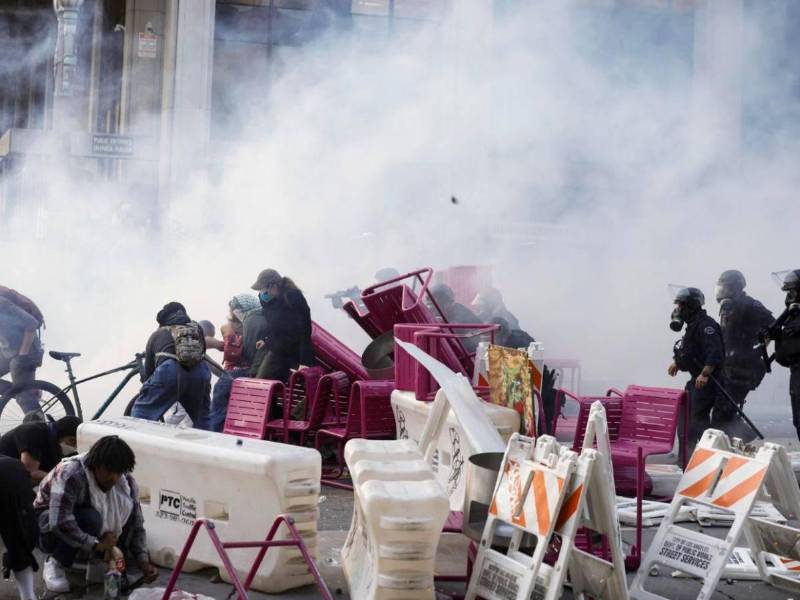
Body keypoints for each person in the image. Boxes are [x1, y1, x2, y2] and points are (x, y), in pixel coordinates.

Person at [35, 435, 158, 595]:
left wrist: (143, 561)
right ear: (95, 465)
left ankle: (97, 561)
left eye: (118, 472)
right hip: (46, 527)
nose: (113, 478)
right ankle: (56, 561)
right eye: (108, 471)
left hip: (85, 530)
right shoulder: (72, 474)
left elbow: (137, 522)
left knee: (125, 515)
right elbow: (59, 521)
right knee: (91, 519)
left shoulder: (126, 482)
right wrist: (96, 544)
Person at [131, 302, 211, 429]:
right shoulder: (197, 330)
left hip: (170, 372)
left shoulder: (158, 334)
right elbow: (202, 353)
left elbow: (148, 373)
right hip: (199, 372)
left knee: (140, 414)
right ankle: (208, 445)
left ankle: (133, 443)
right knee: (203, 418)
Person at [667, 287, 727, 454]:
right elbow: (690, 351)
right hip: (695, 381)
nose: (678, 309)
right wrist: (677, 363)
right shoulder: (693, 326)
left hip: (707, 381)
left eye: (681, 305)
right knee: (684, 419)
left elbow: (714, 352)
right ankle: (686, 457)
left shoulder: (706, 326)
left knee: (696, 421)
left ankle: (704, 455)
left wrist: (705, 373)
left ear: (691, 306)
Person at [715, 270, 774, 437]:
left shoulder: (750, 304)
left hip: (744, 369)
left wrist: (757, 348)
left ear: (735, 288)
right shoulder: (727, 307)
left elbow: (773, 326)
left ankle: (740, 437)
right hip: (728, 367)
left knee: (723, 412)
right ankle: (735, 440)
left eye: (725, 288)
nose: (722, 292)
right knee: (723, 411)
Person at [208, 294, 268, 432]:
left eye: (234, 309)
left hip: (243, 372)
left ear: (242, 308)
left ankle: (214, 433)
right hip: (243, 371)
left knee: (220, 397)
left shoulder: (251, 322)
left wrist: (232, 341)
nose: (232, 312)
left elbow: (248, 353)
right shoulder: (253, 320)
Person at [251, 269, 315, 384]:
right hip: (277, 350)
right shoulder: (266, 301)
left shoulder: (294, 297)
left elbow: (305, 331)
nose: (261, 293)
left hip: (295, 350)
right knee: (261, 381)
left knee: (299, 384)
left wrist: (304, 362)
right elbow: (273, 326)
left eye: (262, 289)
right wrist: (266, 339)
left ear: (273, 286)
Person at [765, 269, 800, 440]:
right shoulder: (792, 316)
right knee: (798, 421)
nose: (789, 296)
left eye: (792, 292)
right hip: (795, 373)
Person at [0, 286, 45, 414]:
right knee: (21, 391)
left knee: (17, 365)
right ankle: (25, 391)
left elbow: (31, 323)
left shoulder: (1, 304)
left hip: (29, 350)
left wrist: (23, 354)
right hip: (9, 352)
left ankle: (38, 424)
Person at [0, 457, 39, 600]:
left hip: (11, 473)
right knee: (20, 537)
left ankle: (28, 595)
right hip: (13, 472)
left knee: (19, 537)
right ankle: (28, 595)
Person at [0, 416, 81, 484]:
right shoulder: (33, 433)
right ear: (60, 434)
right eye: (72, 441)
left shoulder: (55, 444)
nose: (74, 447)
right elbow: (30, 474)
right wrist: (62, 480)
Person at [429, 284, 483, 352]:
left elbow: (452, 329)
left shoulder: (459, 311)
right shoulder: (448, 311)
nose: (431, 308)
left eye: (432, 303)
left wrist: (441, 323)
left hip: (473, 351)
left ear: (444, 302)